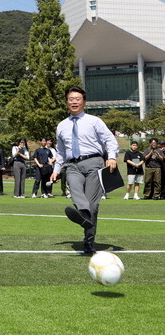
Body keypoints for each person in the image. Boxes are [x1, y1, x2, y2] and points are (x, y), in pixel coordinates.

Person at [50, 86, 119, 256]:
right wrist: (56, 169)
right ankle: (82, 214)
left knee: (93, 206)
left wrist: (111, 157)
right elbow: (60, 151)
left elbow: (109, 139)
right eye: (71, 99)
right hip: (72, 166)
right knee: (75, 189)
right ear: (67, 102)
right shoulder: (61, 126)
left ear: (84, 102)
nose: (74, 102)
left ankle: (89, 242)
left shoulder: (94, 121)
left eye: (78, 99)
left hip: (94, 163)